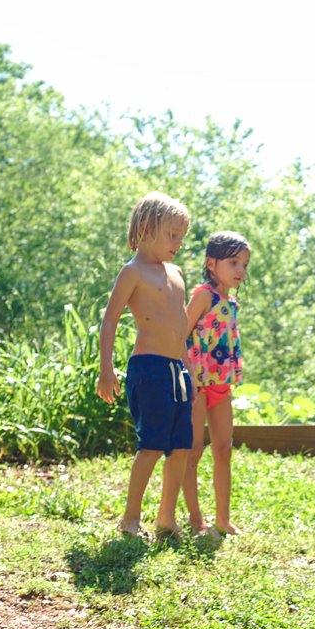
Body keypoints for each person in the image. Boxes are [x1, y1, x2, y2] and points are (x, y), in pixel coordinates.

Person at [96, 192, 193, 539]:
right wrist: (106, 369)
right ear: (148, 228)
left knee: (181, 444)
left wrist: (189, 368)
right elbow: (110, 320)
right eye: (172, 235)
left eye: (182, 237)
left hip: (177, 369)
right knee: (151, 445)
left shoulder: (176, 273)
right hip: (148, 368)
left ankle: (166, 519)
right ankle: (130, 519)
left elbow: (180, 325)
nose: (178, 243)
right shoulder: (132, 272)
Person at [182, 231, 251, 537]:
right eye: (234, 262)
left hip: (221, 384)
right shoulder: (203, 296)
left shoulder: (230, 301)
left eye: (245, 264)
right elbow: (179, 334)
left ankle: (223, 519)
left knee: (223, 449)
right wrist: (187, 376)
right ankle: (195, 519)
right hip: (196, 383)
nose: (241, 270)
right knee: (193, 450)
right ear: (211, 263)